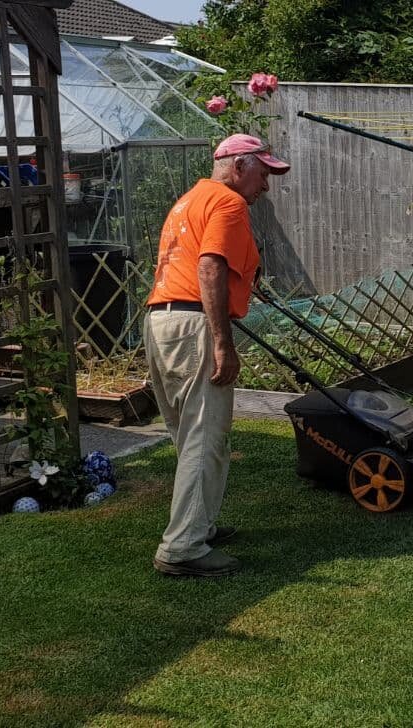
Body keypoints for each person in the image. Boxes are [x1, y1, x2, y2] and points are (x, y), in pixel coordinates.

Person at [144, 133, 290, 577]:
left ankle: (199, 526)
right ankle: (183, 547)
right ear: (238, 166)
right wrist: (222, 342)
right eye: (263, 172)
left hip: (160, 320)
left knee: (190, 435)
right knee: (205, 437)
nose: (266, 185)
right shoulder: (228, 203)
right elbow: (209, 266)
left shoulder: (189, 200)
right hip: (193, 326)